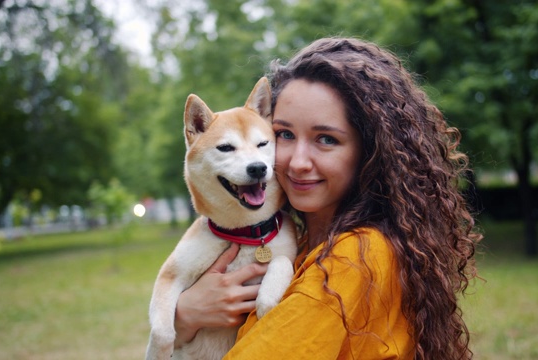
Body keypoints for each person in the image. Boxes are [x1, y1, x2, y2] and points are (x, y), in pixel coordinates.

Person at [173, 37, 482, 359]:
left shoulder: (353, 258)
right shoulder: (304, 242)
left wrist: (182, 321)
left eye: (326, 139)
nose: (298, 162)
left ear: (372, 151)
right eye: (285, 135)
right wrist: (184, 317)